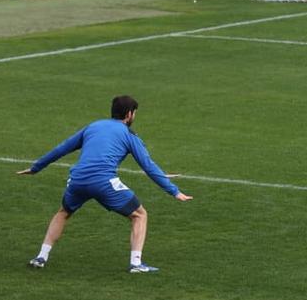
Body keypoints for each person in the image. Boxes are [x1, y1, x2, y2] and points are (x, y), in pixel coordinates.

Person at [18, 95, 192, 273]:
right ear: (130, 114)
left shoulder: (93, 126)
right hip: (103, 182)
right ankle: (136, 264)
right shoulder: (129, 135)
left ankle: (41, 256)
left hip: (77, 180)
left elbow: (62, 148)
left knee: (64, 212)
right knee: (139, 215)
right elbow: (148, 165)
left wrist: (36, 168)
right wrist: (174, 191)